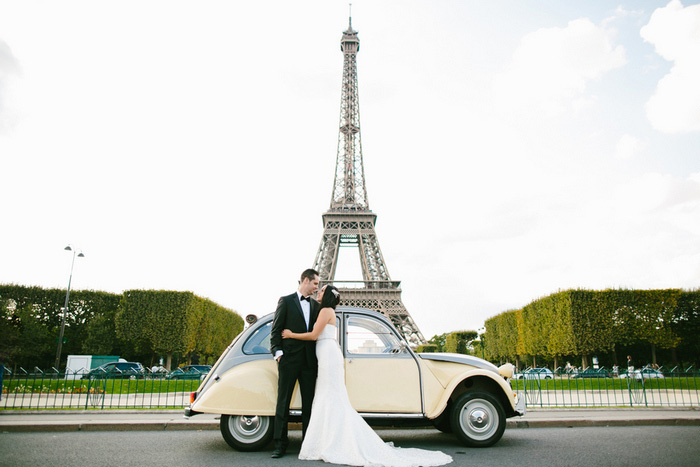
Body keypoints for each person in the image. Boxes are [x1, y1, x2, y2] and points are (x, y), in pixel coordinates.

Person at [282, 285, 453, 467]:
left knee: (329, 395)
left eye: (322, 290)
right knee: (330, 395)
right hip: (328, 353)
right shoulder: (328, 310)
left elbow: (315, 335)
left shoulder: (325, 310)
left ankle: (329, 439)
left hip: (327, 354)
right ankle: (332, 438)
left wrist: (291, 334)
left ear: (327, 296)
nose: (319, 291)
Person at [270, 268, 321, 459]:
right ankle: (280, 444)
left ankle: (306, 444)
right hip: (289, 359)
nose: (317, 287)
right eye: (315, 283)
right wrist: (278, 353)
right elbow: (276, 330)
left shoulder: (316, 306)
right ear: (305, 280)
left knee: (309, 405)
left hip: (309, 361)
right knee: (283, 403)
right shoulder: (286, 300)